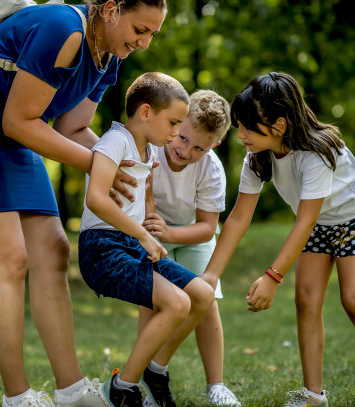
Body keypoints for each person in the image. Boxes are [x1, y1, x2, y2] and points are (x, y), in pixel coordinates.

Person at [0, 1, 168, 406]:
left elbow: (72, 128)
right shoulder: (63, 27)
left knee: (53, 251)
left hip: (12, 131)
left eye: (151, 35)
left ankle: (71, 391)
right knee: (10, 259)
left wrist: (119, 166)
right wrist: (97, 165)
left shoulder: (110, 55)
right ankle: (18, 398)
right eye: (139, 29)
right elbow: (19, 121)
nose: (142, 43)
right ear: (110, 9)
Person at [201, 72, 355, 407]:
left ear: (279, 125)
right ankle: (313, 396)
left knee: (353, 299)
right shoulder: (257, 157)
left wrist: (272, 276)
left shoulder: (316, 154)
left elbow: (304, 222)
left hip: (353, 217)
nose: (241, 136)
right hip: (315, 223)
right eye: (239, 126)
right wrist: (211, 274)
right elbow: (238, 217)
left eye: (248, 127)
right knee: (306, 301)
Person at [78, 72, 215, 407]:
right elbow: (96, 198)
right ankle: (123, 387)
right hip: (102, 248)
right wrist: (140, 233)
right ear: (145, 112)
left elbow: (146, 193)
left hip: (132, 245)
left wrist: (150, 219)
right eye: (173, 123)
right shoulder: (115, 141)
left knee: (201, 294)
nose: (175, 133)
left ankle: (154, 368)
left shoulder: (148, 148)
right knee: (177, 303)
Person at [137, 90, 241, 407]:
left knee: (206, 303)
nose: (185, 150)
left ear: (215, 146)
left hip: (193, 237)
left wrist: (171, 233)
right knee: (150, 303)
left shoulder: (210, 169)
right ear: (176, 124)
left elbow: (208, 227)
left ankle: (216, 385)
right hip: (151, 235)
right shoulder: (151, 147)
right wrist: (156, 232)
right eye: (182, 138)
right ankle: (142, 380)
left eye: (199, 147)